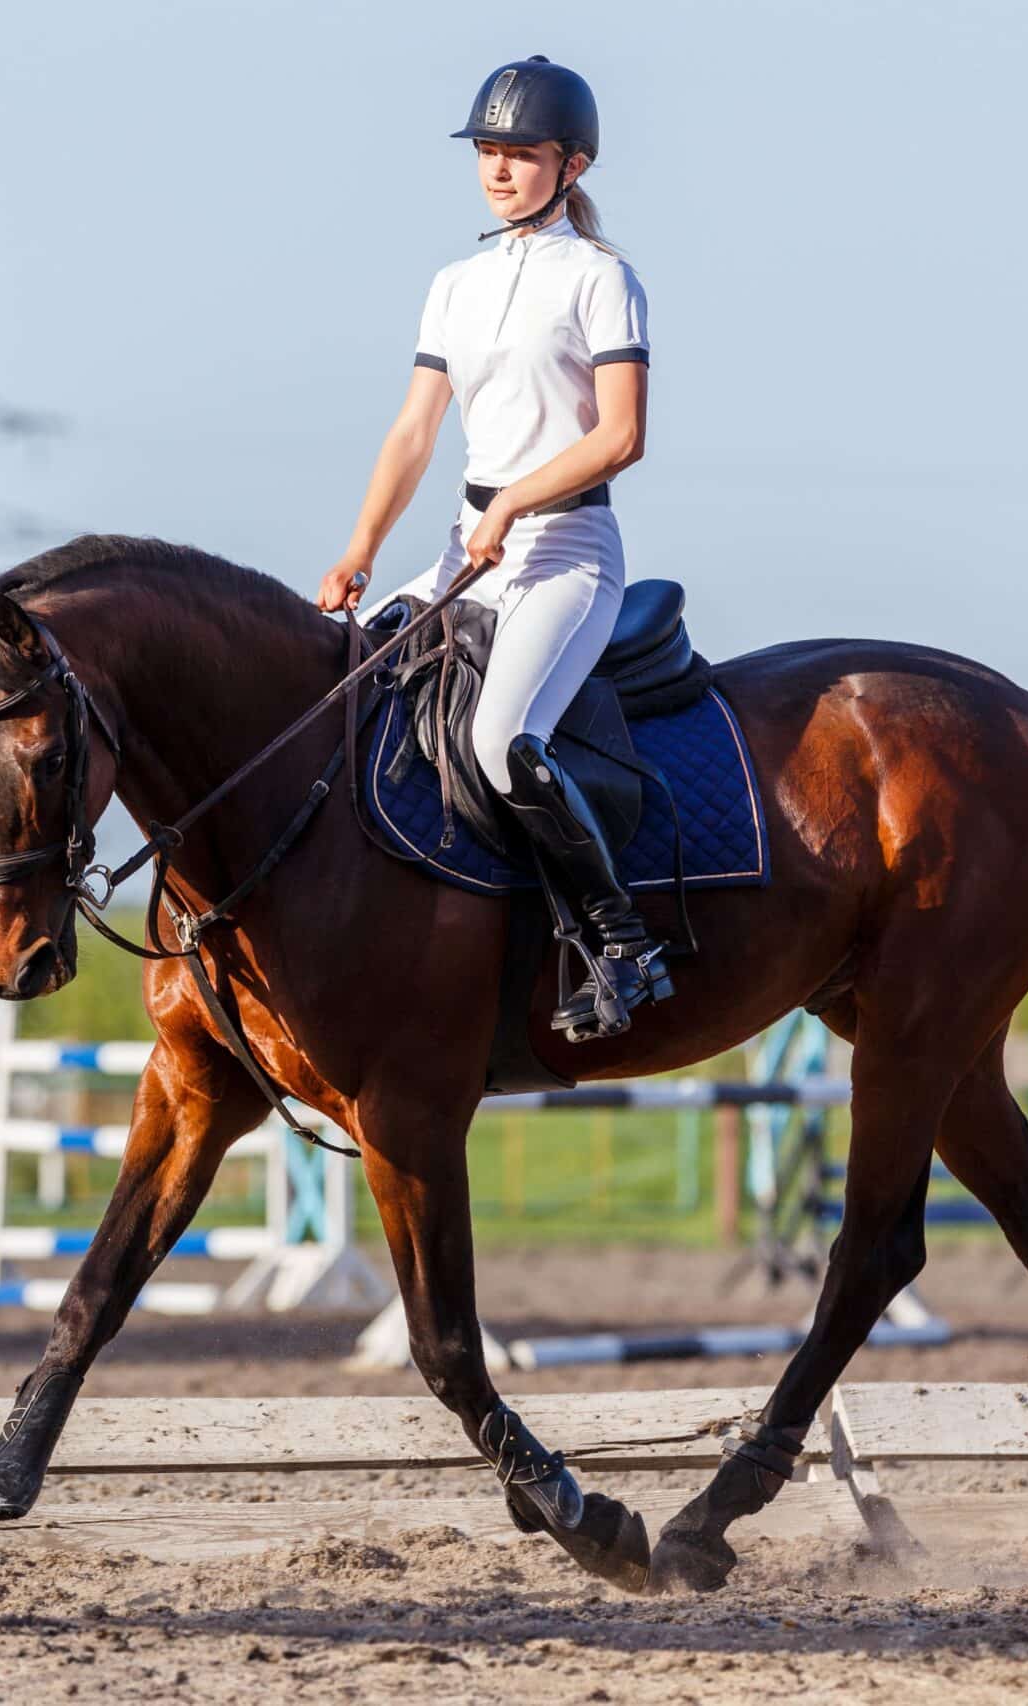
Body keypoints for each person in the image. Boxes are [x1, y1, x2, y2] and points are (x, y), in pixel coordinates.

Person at [314, 55, 664, 1040]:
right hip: (471, 546)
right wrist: (360, 548)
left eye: (520, 153)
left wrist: (513, 499)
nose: (499, 170)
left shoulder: (603, 280)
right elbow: (416, 430)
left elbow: (621, 436)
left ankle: (621, 942)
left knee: (498, 741)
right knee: (342, 684)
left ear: (574, 164)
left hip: (567, 551)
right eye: (488, 152)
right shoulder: (454, 284)